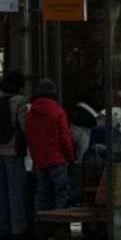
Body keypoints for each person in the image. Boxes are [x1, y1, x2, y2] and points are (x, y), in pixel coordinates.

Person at [0, 69, 31, 240]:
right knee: (16, 192)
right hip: (13, 151)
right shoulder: (18, 101)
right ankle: (18, 230)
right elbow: (24, 127)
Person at [26, 78, 75, 217]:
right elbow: (65, 138)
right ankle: (60, 227)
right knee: (62, 193)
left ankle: (40, 227)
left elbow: (29, 137)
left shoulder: (30, 113)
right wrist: (71, 159)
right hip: (57, 159)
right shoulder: (57, 111)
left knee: (42, 194)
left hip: (40, 160)